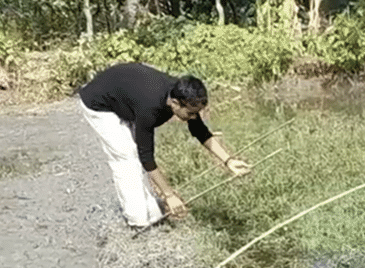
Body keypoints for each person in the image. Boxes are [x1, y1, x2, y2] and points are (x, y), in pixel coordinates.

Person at [78, 62, 250, 229]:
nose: (193, 117)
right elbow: (146, 156)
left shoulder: (183, 96)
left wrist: (229, 161)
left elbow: (201, 132)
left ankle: (151, 213)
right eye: (190, 113)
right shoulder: (150, 107)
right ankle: (137, 221)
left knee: (134, 156)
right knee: (126, 157)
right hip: (99, 103)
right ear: (175, 103)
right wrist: (169, 195)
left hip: (126, 95)